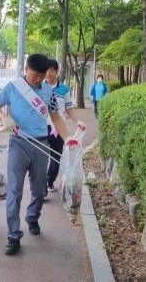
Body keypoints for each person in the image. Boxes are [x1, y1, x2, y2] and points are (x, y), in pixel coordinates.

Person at [0, 54, 79, 255]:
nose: (38, 79)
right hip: (18, 145)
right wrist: (3, 116)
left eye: (41, 75)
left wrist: (68, 138)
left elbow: (55, 117)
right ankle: (13, 235)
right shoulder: (13, 87)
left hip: (41, 145)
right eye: (35, 75)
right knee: (14, 190)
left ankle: (32, 216)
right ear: (26, 69)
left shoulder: (48, 91)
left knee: (39, 190)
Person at [44, 59, 85, 193]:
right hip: (42, 127)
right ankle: (41, 186)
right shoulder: (39, 87)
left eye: (51, 71)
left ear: (56, 72)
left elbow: (69, 109)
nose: (48, 74)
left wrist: (77, 121)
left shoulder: (64, 89)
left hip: (58, 128)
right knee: (40, 156)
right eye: (46, 71)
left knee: (56, 156)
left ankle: (49, 180)